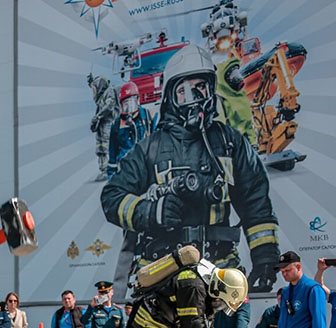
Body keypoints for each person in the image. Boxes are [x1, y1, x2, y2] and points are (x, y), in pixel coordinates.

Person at [101, 44, 280, 294]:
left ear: (211, 90)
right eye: (184, 91)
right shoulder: (151, 148)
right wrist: (152, 212)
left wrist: (265, 258)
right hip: (162, 266)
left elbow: (256, 202)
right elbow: (112, 198)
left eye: (201, 88)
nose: (194, 98)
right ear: (171, 97)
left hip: (219, 267)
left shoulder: (231, 143)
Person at [107, 81, 158, 179]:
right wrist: (112, 180)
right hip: (127, 172)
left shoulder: (149, 118)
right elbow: (112, 157)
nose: (129, 109)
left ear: (138, 101)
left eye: (132, 103)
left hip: (147, 170)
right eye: (126, 105)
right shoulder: (117, 125)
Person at [88, 73, 119, 182]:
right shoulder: (101, 97)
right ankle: (103, 169)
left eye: (95, 88)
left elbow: (109, 106)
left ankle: (109, 169)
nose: (93, 92)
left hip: (108, 125)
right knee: (101, 149)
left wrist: (98, 116)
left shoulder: (108, 92)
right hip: (102, 128)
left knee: (107, 147)